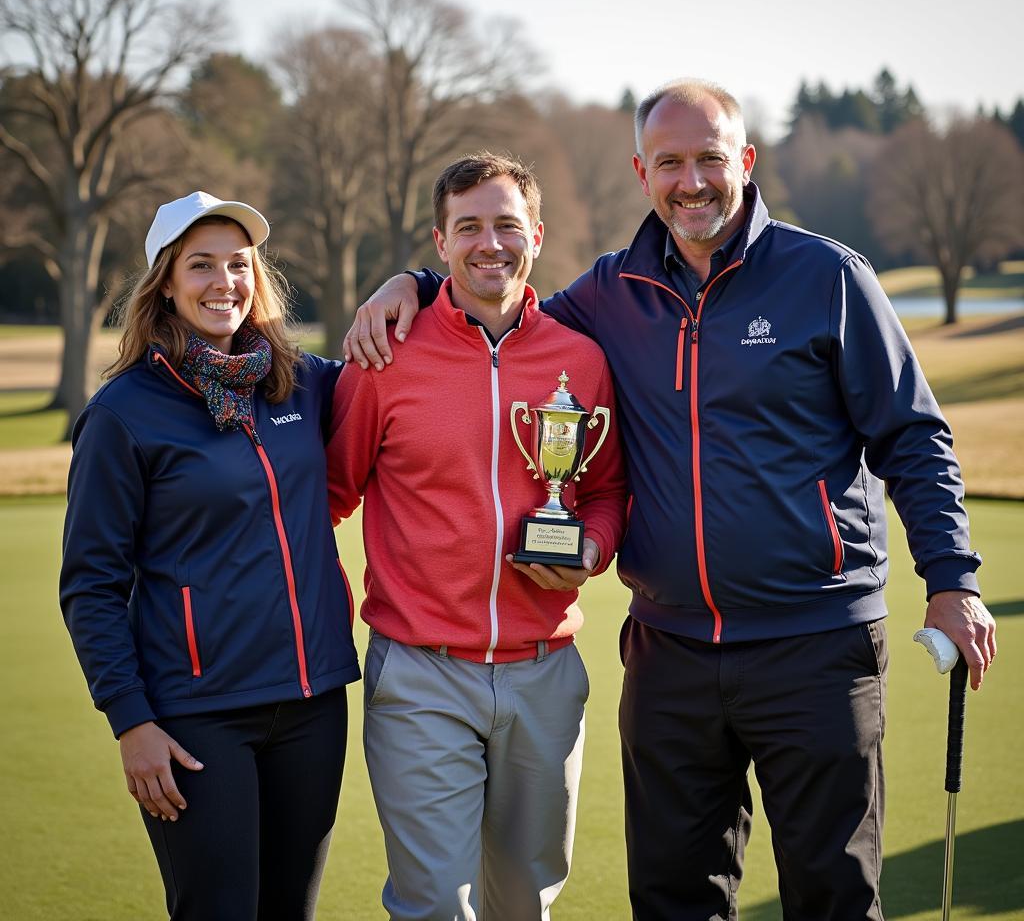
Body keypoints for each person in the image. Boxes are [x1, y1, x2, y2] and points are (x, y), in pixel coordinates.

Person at [341, 81, 998, 921]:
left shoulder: (827, 276)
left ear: (745, 163)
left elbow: (912, 434)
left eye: (710, 160)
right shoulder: (607, 296)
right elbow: (498, 298)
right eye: (671, 163)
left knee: (834, 894)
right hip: (671, 653)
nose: (692, 182)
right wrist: (412, 285)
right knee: (676, 901)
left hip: (817, 645)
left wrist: (953, 579)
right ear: (641, 172)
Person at [326, 153, 627, 921]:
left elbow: (605, 491)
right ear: (439, 241)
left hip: (545, 671)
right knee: (434, 907)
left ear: (537, 234)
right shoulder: (382, 358)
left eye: (505, 225)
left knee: (525, 903)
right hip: (420, 673)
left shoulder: (581, 360)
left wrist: (589, 547)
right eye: (469, 228)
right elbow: (328, 496)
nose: (488, 243)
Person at [60, 191, 360, 921]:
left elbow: (389, 364)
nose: (224, 281)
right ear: (165, 279)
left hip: (313, 704)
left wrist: (409, 286)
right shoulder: (123, 413)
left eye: (239, 263)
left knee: (290, 910)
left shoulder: (301, 382)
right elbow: (91, 585)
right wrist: (131, 722)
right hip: (196, 718)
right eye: (202, 265)